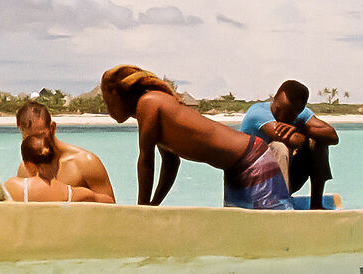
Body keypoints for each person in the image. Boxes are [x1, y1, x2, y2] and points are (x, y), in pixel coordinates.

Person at [100, 64, 292, 209]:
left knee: (273, 227)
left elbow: (146, 160)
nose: (107, 109)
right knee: (244, 233)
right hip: (237, 166)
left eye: (108, 102)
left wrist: (141, 209)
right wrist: (153, 205)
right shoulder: (154, 105)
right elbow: (170, 163)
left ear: (117, 94)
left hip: (252, 160)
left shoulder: (148, 103)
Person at [240, 80, 339, 210]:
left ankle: (316, 205)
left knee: (318, 141)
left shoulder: (301, 113)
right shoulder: (258, 113)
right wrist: (298, 132)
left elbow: (332, 136)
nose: (280, 116)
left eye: (288, 114)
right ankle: (280, 205)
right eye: (278, 110)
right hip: (251, 184)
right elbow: (293, 140)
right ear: (274, 100)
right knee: (279, 146)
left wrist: (302, 129)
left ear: (299, 111)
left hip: (283, 181)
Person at [13, 99, 115, 202]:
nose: (37, 143)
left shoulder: (86, 162)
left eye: (41, 135)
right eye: (28, 139)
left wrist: (75, 195)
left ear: (52, 128)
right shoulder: (25, 169)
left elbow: (111, 207)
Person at [5, 132, 104, 201]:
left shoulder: (13, 187)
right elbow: (109, 201)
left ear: (28, 165)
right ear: (56, 160)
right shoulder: (77, 194)